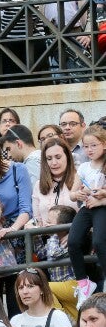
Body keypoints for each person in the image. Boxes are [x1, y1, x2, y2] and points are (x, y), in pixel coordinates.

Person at [67, 125, 106, 308]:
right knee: (73, 241)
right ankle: (83, 283)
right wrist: (79, 195)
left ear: (104, 145)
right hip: (86, 207)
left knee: (99, 242)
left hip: (101, 208)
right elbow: (72, 193)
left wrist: (102, 196)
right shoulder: (83, 167)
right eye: (86, 146)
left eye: (94, 145)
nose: (89, 150)